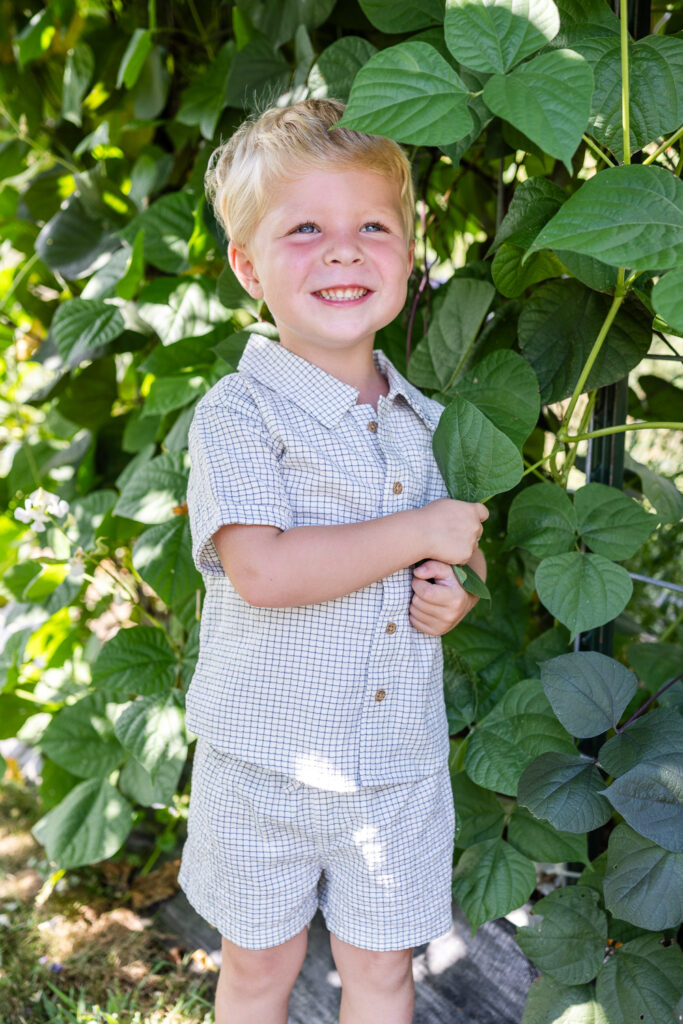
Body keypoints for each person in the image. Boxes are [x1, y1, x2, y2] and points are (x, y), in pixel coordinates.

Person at [178, 98, 489, 1024]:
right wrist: (420, 533)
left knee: (384, 976)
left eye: (372, 228)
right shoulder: (238, 415)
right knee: (258, 973)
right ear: (247, 265)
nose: (344, 250)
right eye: (305, 228)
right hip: (262, 769)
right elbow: (263, 572)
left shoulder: (426, 424)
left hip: (395, 772)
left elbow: (441, 561)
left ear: (407, 253)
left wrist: (446, 594)